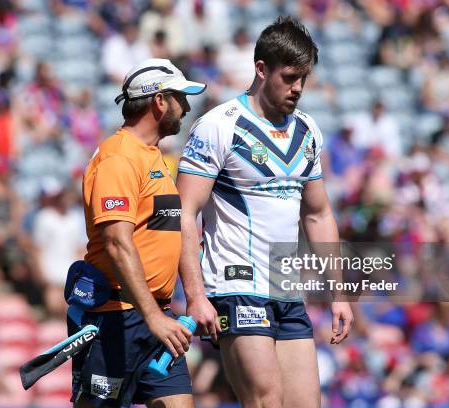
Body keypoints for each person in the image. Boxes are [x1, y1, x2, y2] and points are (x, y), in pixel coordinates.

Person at [176, 16, 353, 408]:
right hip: (235, 287)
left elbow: (318, 215)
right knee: (266, 400)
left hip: (287, 291)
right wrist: (195, 295)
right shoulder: (218, 127)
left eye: (303, 79)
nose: (298, 89)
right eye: (290, 77)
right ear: (260, 69)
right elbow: (185, 213)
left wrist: (339, 292)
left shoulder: (307, 131)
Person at [71, 58, 206, 408]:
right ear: (159, 101)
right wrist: (153, 318)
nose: (186, 107)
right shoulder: (118, 158)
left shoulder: (153, 156)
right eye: (180, 97)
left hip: (156, 318)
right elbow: (117, 244)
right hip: (116, 319)